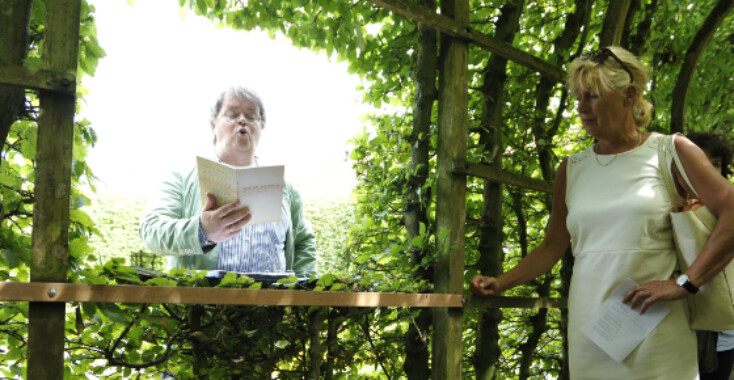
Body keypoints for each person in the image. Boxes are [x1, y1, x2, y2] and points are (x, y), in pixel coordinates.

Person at [469, 46, 734, 379]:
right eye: (578, 98)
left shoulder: (671, 151)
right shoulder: (573, 168)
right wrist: (500, 282)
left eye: (591, 96)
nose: (581, 108)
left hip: (657, 326)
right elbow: (552, 247)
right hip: (592, 330)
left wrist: (686, 283)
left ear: (630, 95)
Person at [139, 86, 318, 278]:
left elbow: (303, 243)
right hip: (205, 304)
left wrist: (303, 297)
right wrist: (201, 231)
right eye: (232, 114)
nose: (242, 120)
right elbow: (151, 230)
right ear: (214, 125)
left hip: (272, 305)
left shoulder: (285, 187)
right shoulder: (182, 177)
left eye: (251, 117)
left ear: (261, 127)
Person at [684, 131, 734, 380]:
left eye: (715, 163)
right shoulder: (672, 204)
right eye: (699, 160)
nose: (708, 169)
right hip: (680, 322)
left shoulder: (730, 206)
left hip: (723, 327)